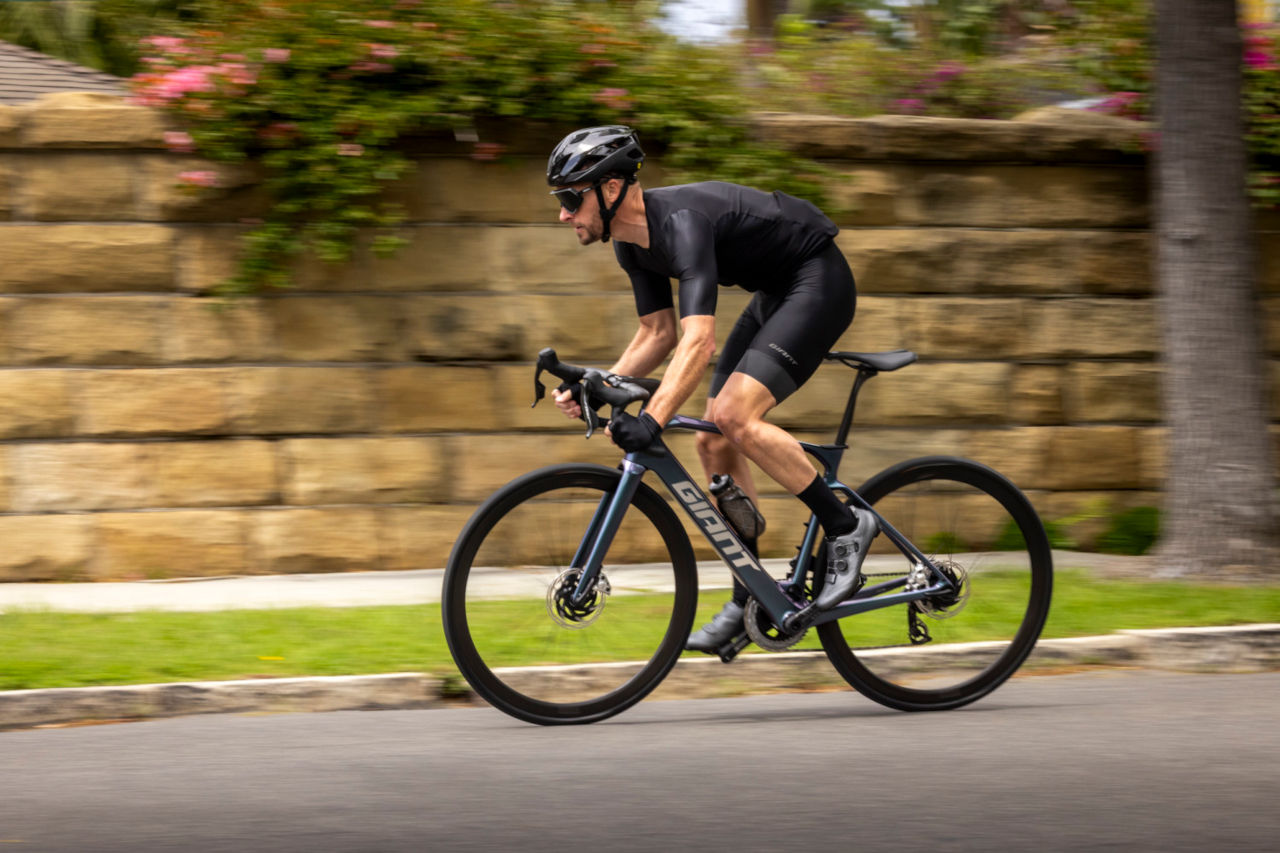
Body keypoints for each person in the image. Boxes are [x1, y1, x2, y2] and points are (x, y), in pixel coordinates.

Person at [546, 125, 877, 655]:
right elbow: (658, 333)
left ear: (610, 190)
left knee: (735, 414)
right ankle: (753, 595)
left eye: (569, 197)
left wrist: (651, 419)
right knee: (713, 440)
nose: (563, 213)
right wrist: (599, 384)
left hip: (818, 278)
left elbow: (699, 341)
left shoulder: (680, 223)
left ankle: (846, 524)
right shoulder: (632, 245)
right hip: (776, 290)